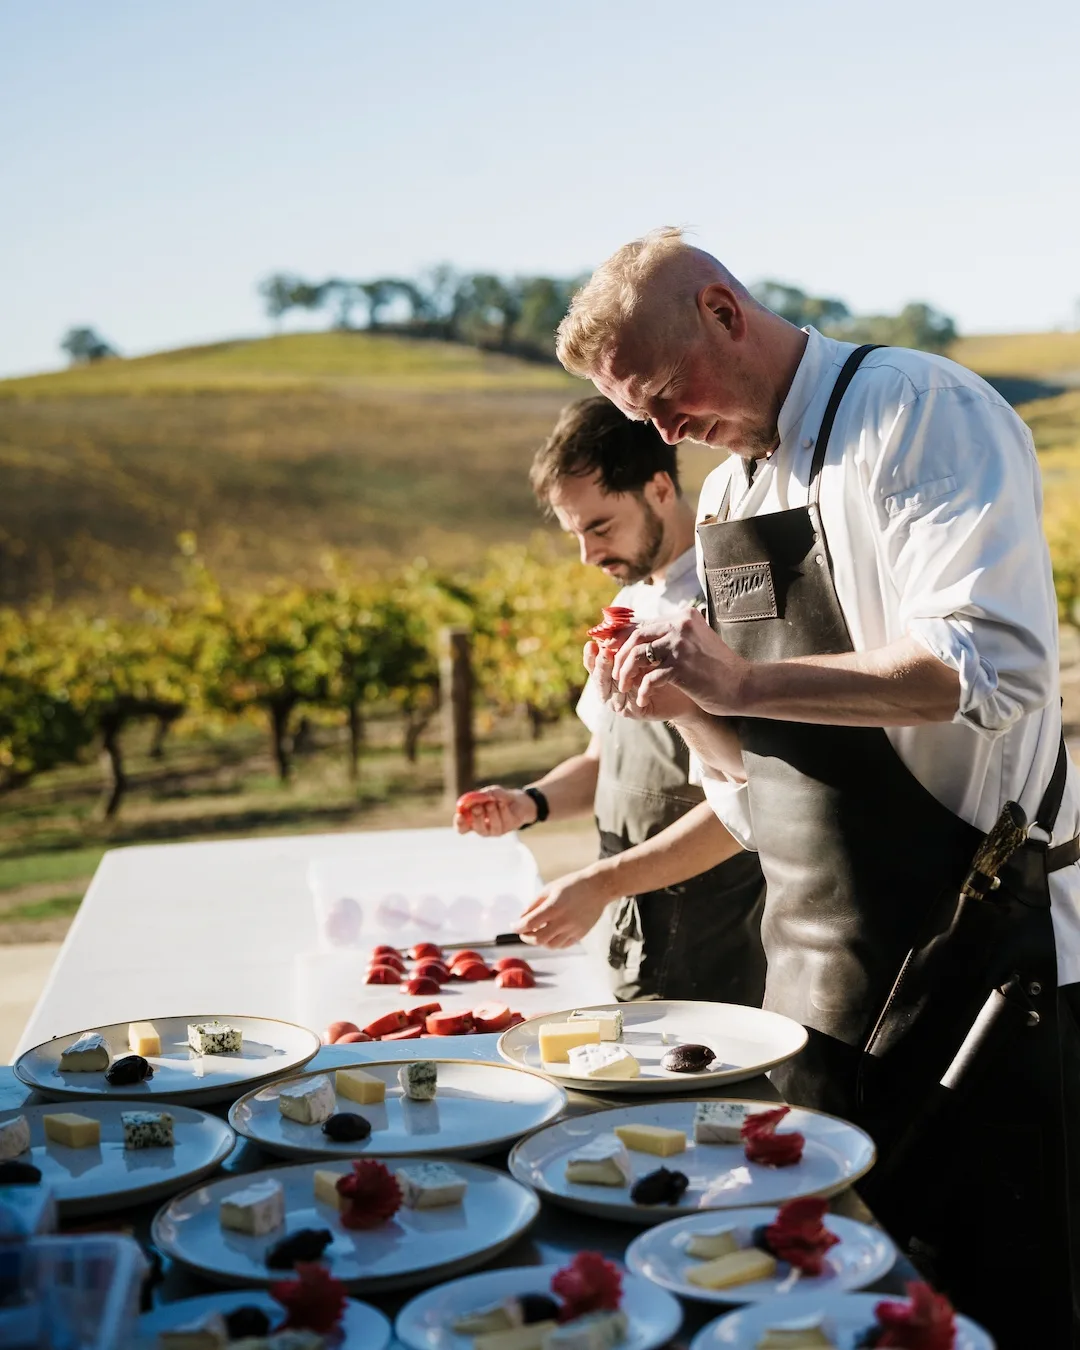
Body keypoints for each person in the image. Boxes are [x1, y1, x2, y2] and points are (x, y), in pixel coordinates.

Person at [554, 227, 1080, 1349]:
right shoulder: (736, 491)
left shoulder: (913, 409)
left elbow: (995, 665)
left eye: (660, 394)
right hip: (820, 988)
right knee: (843, 1308)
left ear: (724, 314)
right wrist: (686, 703)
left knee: (991, 1304)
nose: (659, 432)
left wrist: (744, 674)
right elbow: (765, 793)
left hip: (977, 964)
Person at [454, 395, 765, 1004]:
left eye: (599, 527)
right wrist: (528, 802)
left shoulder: (729, 601)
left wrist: (599, 882)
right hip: (635, 927)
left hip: (717, 939)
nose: (588, 555)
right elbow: (608, 760)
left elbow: (753, 802)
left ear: (657, 490)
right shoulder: (632, 603)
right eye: (576, 534)